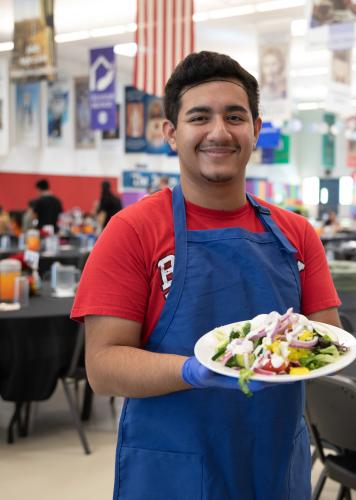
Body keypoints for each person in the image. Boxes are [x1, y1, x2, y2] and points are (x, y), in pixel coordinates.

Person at [71, 51, 341, 500]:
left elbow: (328, 337)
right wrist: (196, 371)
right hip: (172, 466)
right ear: (171, 134)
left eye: (235, 116)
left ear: (256, 129)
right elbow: (102, 367)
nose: (219, 132)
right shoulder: (132, 231)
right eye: (200, 117)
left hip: (274, 462)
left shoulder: (296, 234)